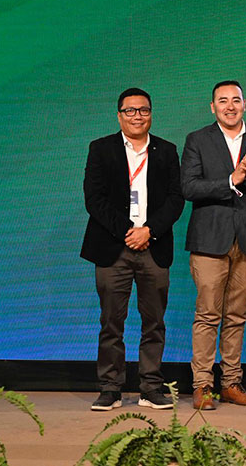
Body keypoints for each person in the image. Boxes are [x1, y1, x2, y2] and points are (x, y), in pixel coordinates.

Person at [81, 88, 184, 411]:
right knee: (112, 321)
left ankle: (151, 387)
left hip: (153, 247)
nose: (137, 116)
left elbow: (175, 199)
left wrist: (149, 231)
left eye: (143, 110)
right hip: (114, 247)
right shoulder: (100, 149)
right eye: (130, 111)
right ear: (119, 115)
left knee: (154, 322)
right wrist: (128, 232)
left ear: (151, 114)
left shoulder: (166, 150)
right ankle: (110, 387)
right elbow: (93, 199)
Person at [181, 80, 246, 410]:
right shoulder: (197, 140)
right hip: (210, 240)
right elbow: (189, 187)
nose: (230, 106)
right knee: (208, 315)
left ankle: (231, 383)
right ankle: (202, 386)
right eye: (223, 101)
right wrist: (230, 180)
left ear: (245, 104)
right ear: (213, 107)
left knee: (237, 316)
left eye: (236, 100)